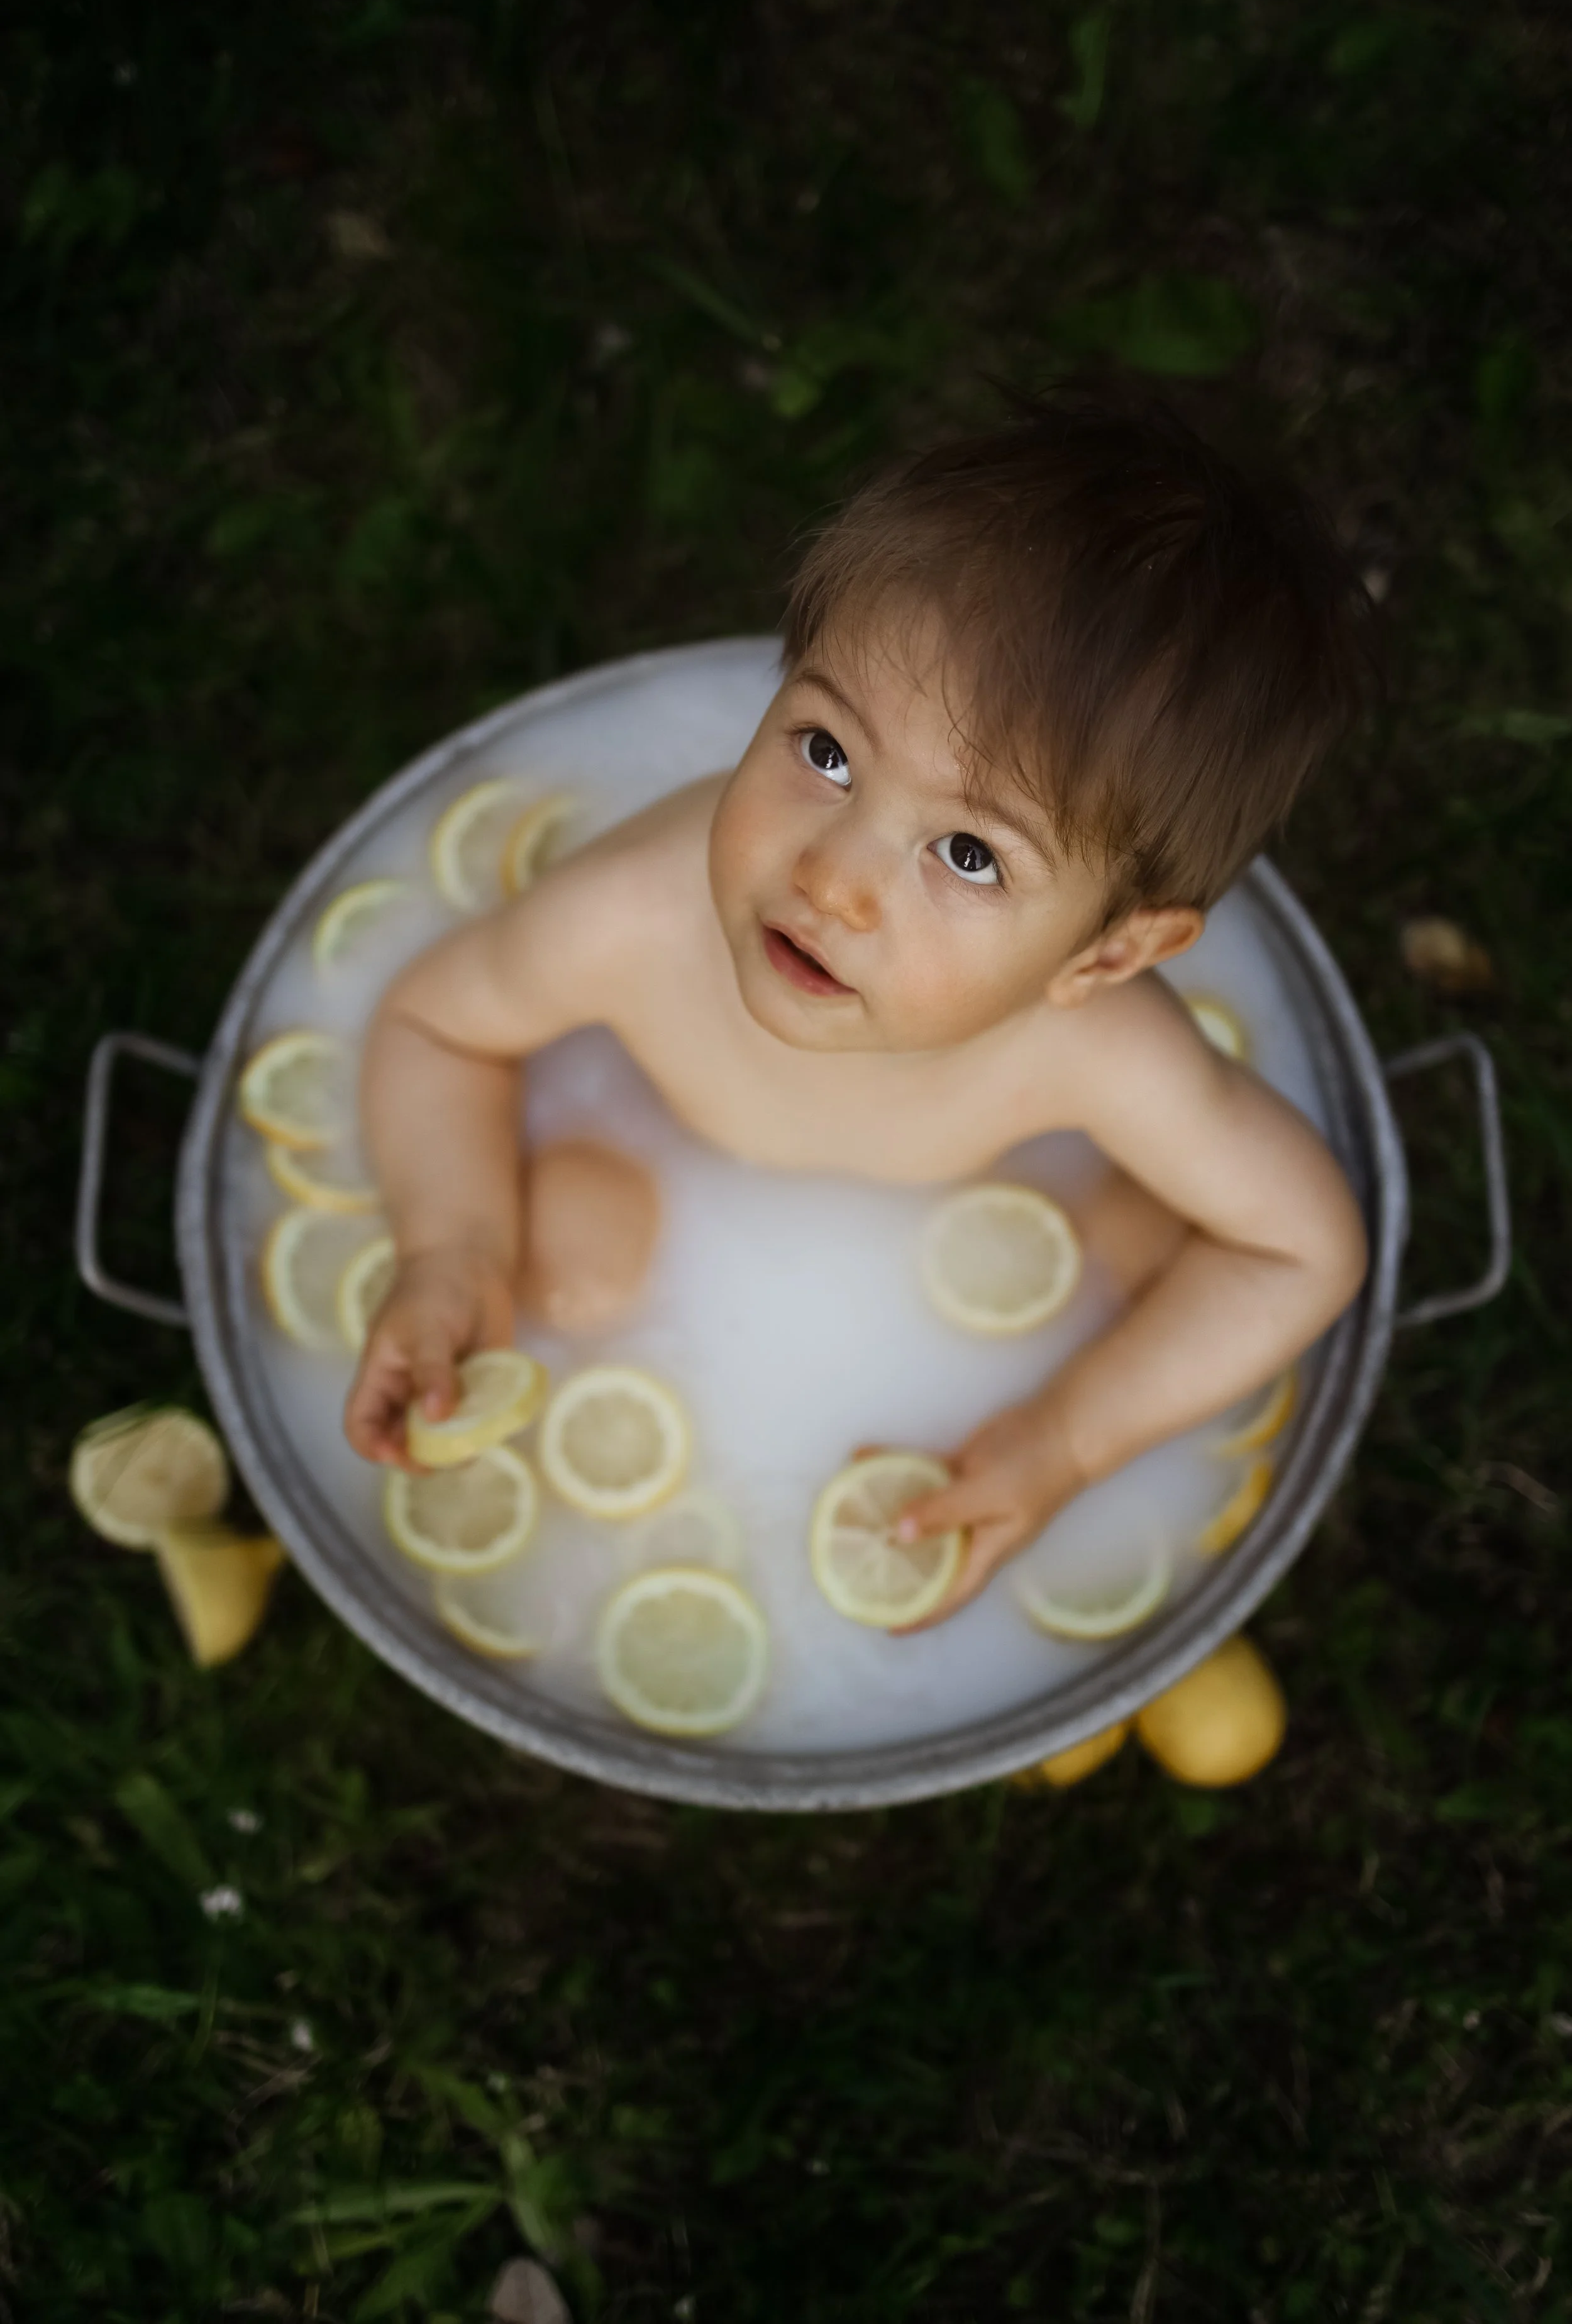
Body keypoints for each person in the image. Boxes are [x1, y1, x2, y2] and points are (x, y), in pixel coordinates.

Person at [343, 396, 1373, 1632]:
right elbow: (435, 1024)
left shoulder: (1095, 1051)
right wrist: (451, 1245)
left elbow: (1301, 1249)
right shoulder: (634, 917)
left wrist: (1063, 1438)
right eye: (827, 750)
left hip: (976, 1243)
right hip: (658, 1173)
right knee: (565, 1271)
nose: (830, 877)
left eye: (969, 856)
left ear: (1106, 954)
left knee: (1141, 1251)